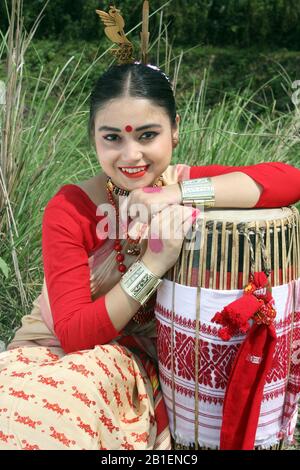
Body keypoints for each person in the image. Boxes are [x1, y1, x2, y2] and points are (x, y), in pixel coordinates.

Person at [1, 7, 300, 452]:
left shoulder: (182, 183)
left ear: (175, 131)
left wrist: (181, 194)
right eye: (112, 138)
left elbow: (288, 179)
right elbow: (76, 335)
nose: (130, 155)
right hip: (56, 350)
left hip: (130, 366)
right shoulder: (70, 209)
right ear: (92, 138)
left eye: (147, 135)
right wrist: (155, 262)